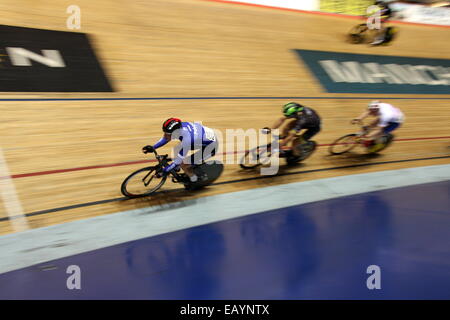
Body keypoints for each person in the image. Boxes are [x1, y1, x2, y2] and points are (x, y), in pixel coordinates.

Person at [142, 118, 218, 184]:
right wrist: (153, 147)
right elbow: (166, 138)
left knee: (183, 164)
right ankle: (182, 167)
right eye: (165, 132)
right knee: (179, 154)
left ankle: (194, 180)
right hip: (201, 138)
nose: (165, 135)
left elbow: (178, 160)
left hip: (211, 147)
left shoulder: (187, 139)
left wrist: (165, 170)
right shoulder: (179, 128)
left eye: (168, 133)